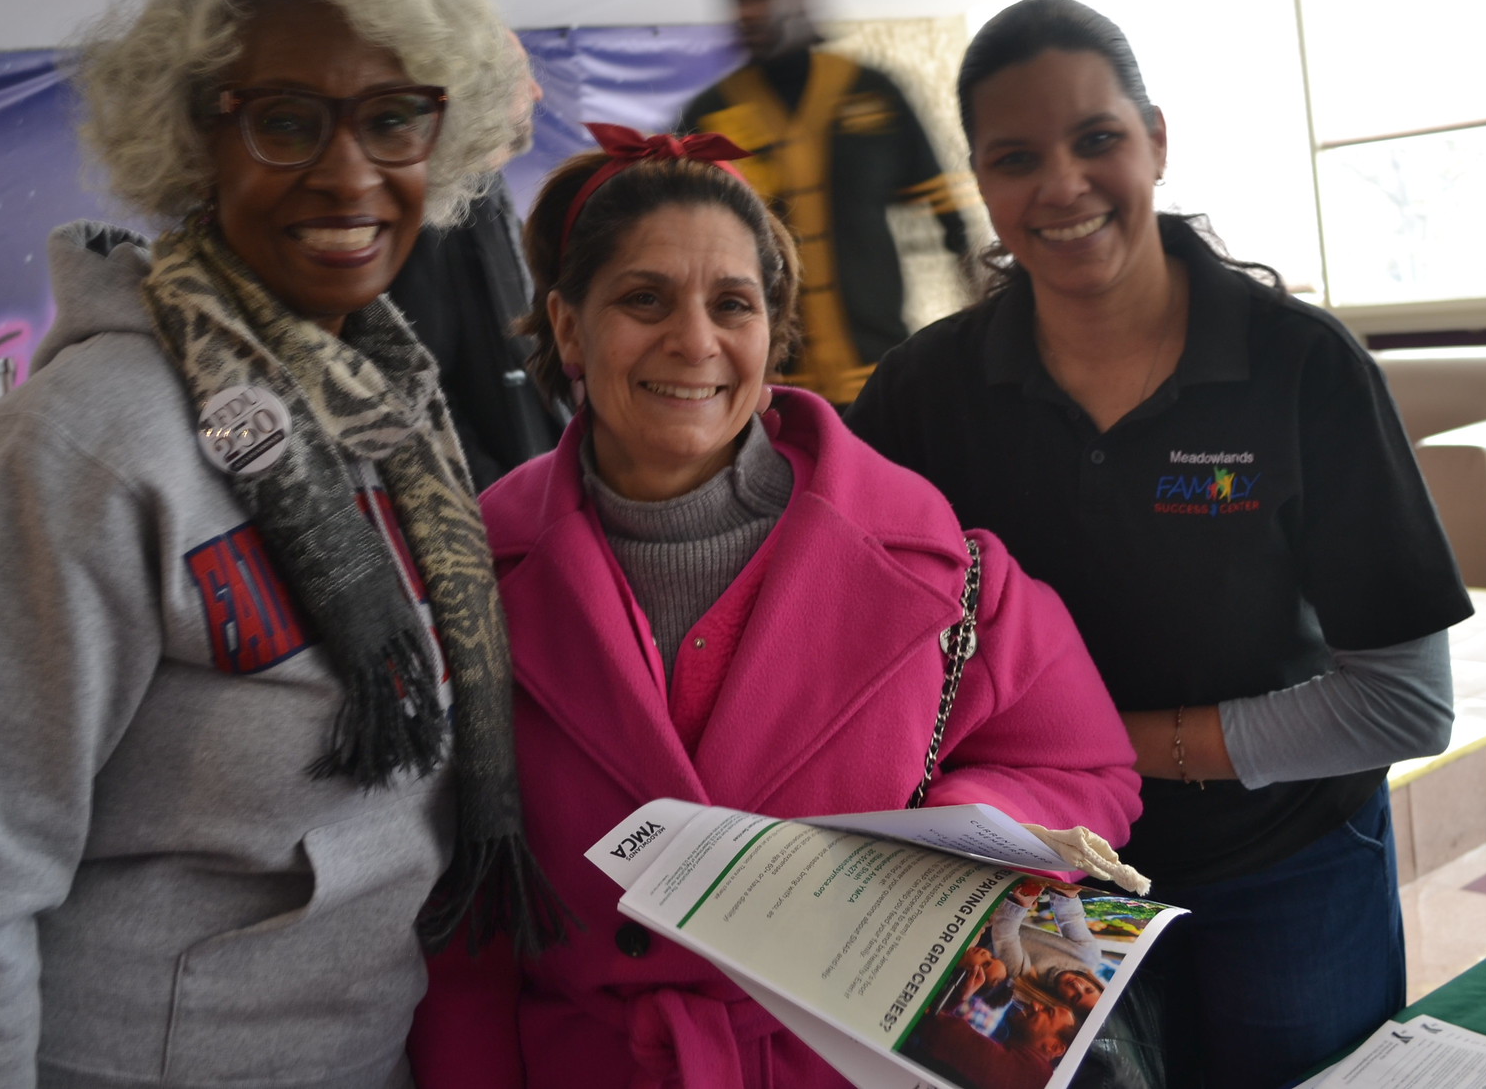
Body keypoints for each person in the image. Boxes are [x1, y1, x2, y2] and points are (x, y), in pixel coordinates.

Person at [0, 0, 556, 1088]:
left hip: (368, 1051)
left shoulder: (393, 413)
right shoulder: (80, 445)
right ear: (198, 141)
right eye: (286, 121)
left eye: (393, 119)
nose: (347, 174)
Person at [408, 123, 1141, 1087]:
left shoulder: (936, 562)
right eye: (643, 299)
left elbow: (1085, 769)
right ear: (568, 327)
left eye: (732, 303)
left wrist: (952, 838)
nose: (695, 341)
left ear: (771, 330)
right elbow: (462, 934)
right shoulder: (464, 581)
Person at [846, 0, 1468, 1089]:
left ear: (1157, 141)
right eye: (1016, 157)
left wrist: (1102, 746)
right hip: (1041, 893)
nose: (1061, 186)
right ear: (982, 184)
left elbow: (1403, 701)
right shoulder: (921, 397)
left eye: (1097, 140)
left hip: (1282, 868)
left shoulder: (1299, 369)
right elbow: (841, 614)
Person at [677, 0, 984, 407]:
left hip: (884, 379)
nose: (746, 12)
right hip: (770, 395)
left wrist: (988, 330)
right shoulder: (708, 117)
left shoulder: (874, 92)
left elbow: (956, 228)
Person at [389, 33, 565, 491]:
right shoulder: (440, 206)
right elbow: (419, 383)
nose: (537, 91)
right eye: (523, 75)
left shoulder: (484, 190)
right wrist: (490, 492)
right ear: (484, 88)